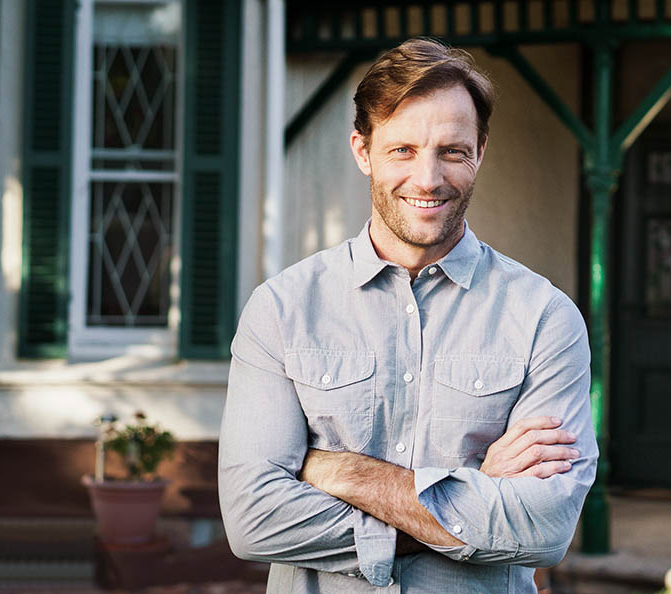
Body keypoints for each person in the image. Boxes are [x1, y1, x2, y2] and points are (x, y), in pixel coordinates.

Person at [218, 38, 598, 593]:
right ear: (362, 151)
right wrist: (474, 491)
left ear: (480, 153)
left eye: (451, 151)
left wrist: (341, 472)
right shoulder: (282, 309)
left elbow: (545, 527)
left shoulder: (545, 318)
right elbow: (253, 522)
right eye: (402, 150)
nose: (427, 179)